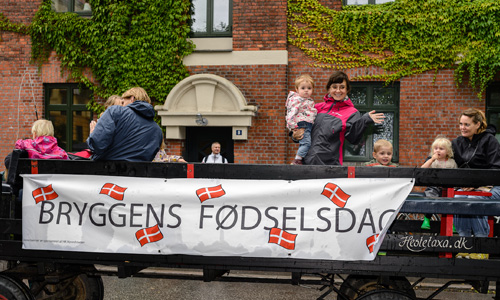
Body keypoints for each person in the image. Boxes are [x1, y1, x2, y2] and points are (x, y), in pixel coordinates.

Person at [299, 71, 385, 165]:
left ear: (347, 89)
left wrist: (364, 120)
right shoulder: (316, 108)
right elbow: (303, 129)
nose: (338, 91)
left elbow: (353, 139)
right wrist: (295, 135)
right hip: (306, 162)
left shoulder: (352, 112)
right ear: (329, 89)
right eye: (334, 87)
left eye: (342, 87)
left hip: (330, 165)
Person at [452, 108, 500, 259]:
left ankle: (481, 246)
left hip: (494, 187)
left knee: (475, 199)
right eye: (460, 124)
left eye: (466, 124)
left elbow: (496, 168)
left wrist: (476, 184)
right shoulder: (457, 142)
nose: (462, 128)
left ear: (478, 124)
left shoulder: (490, 141)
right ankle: (465, 243)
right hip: (467, 189)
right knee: (458, 198)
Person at [87, 87, 163, 161]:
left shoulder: (116, 111)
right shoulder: (158, 131)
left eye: (123, 102)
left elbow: (97, 145)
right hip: (139, 172)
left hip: (108, 171)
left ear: (132, 99)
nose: (122, 105)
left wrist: (93, 134)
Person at [420, 136, 457, 230]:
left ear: (448, 151)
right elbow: (422, 170)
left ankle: (452, 223)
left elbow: (456, 175)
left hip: (448, 187)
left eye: (441, 149)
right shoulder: (432, 161)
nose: (438, 151)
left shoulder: (452, 162)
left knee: (452, 202)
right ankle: (427, 218)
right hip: (434, 186)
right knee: (430, 197)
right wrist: (431, 159)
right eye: (435, 148)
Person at [286, 74, 317, 165]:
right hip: (302, 124)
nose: (306, 90)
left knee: (305, 142)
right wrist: (292, 127)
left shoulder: (308, 100)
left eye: (309, 88)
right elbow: (291, 113)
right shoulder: (298, 100)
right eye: (303, 88)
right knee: (306, 143)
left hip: (307, 123)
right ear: (297, 89)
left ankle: (299, 158)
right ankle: (297, 159)